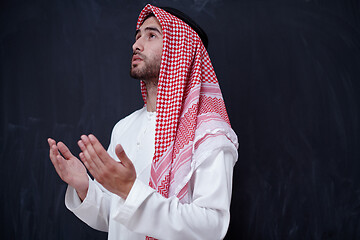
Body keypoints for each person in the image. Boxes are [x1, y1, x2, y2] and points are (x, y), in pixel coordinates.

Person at [48, 4, 238, 240]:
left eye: (151, 35)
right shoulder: (124, 127)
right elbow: (116, 215)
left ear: (179, 49)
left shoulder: (209, 133)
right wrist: (84, 187)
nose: (136, 45)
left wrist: (130, 190)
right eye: (137, 36)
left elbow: (212, 227)